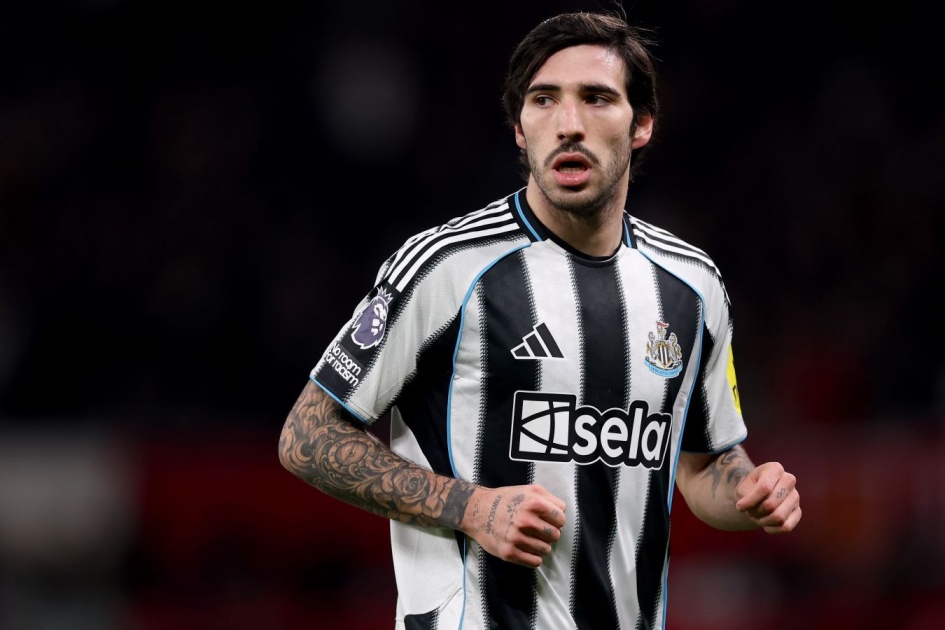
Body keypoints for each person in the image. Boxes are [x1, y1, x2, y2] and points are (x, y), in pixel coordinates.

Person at [279, 10, 801, 630]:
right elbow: (307, 434)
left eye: (597, 98)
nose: (568, 123)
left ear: (642, 124)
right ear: (521, 130)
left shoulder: (694, 288)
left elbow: (703, 465)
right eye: (544, 99)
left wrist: (749, 490)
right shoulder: (446, 267)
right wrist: (470, 507)